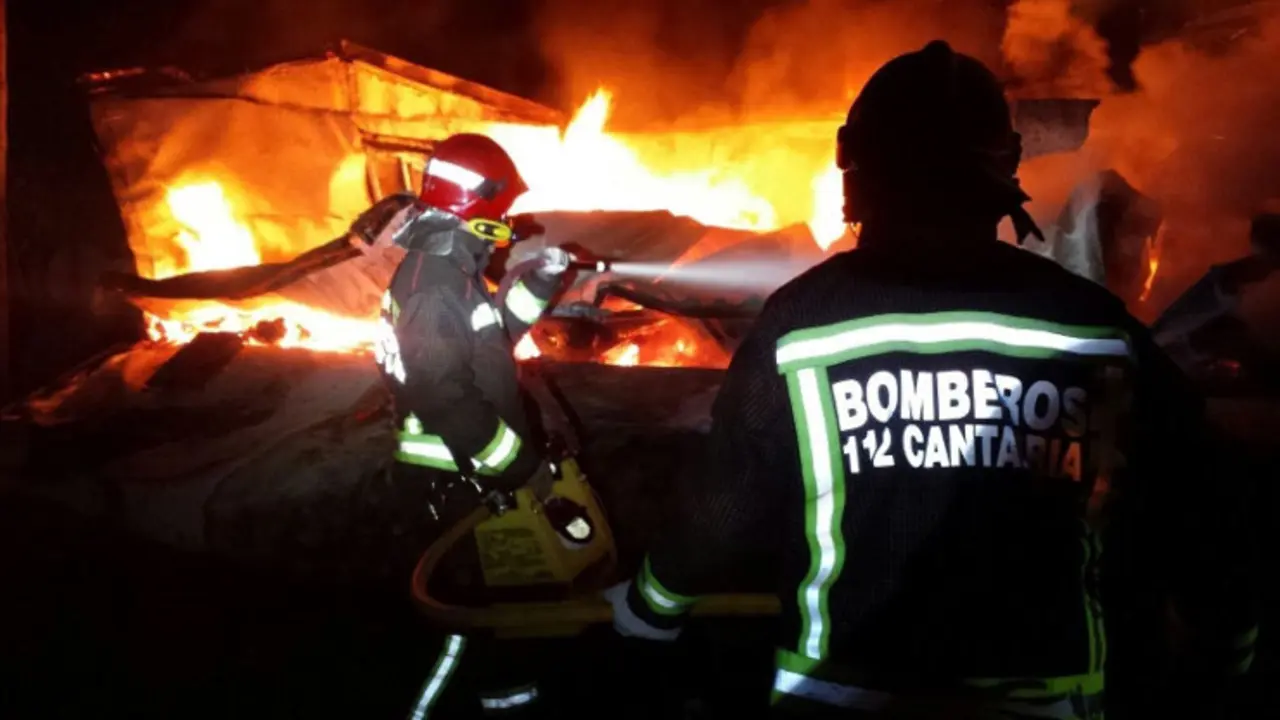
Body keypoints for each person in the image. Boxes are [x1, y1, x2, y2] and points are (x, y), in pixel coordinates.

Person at [606, 41, 1257, 718]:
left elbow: (725, 511)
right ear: (1005, 171)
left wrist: (648, 609)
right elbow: (1201, 506)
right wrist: (1226, 651)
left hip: (841, 696)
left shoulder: (799, 324)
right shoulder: (1097, 328)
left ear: (855, 171)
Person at [375, 133, 572, 719]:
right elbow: (444, 395)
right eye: (502, 212)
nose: (508, 223)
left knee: (497, 626)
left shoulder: (450, 275)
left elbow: (492, 340)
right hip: (452, 486)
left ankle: (510, 705)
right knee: (458, 632)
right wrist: (521, 468)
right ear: (476, 210)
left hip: (470, 481)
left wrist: (540, 285)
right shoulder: (433, 286)